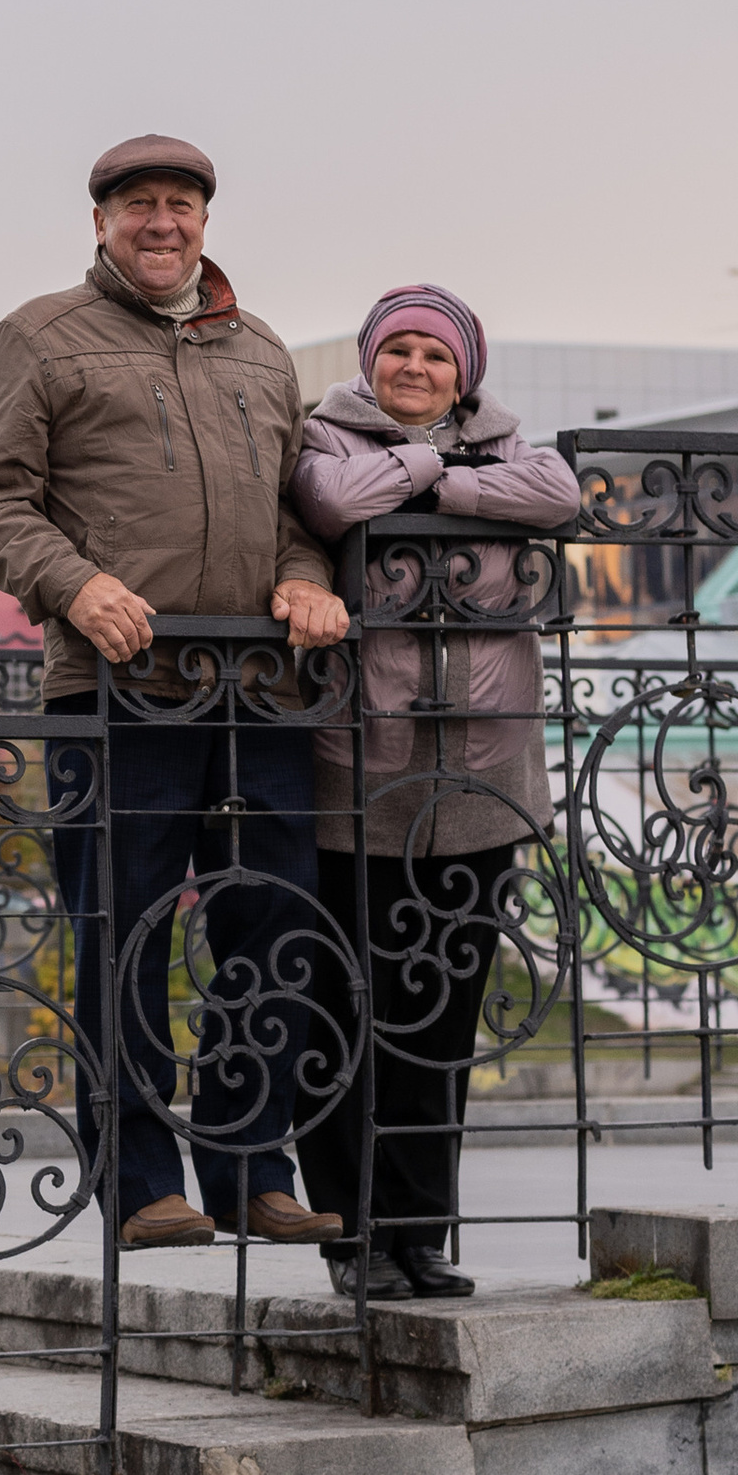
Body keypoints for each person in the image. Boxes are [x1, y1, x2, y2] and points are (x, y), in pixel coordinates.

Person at [0, 137, 351, 1251]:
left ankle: (249, 1169)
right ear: (100, 222)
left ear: (206, 223)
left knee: (272, 929)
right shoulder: (39, 336)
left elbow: (296, 514)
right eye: (139, 206)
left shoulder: (262, 351)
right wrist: (74, 588)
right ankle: (137, 1182)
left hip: (259, 689)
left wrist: (306, 578)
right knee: (119, 933)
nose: (161, 223)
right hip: (116, 690)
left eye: (180, 205)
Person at [292, 285, 580, 1298]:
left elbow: (558, 498)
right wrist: (429, 464)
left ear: (467, 370)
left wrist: (435, 484)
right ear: (370, 360)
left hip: (480, 776)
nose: (415, 369)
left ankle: (418, 1231)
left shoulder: (510, 443)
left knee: (441, 1013)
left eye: (436, 355)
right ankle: (349, 1235)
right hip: (356, 772)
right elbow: (331, 504)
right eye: (398, 351)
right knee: (342, 1009)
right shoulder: (322, 437)